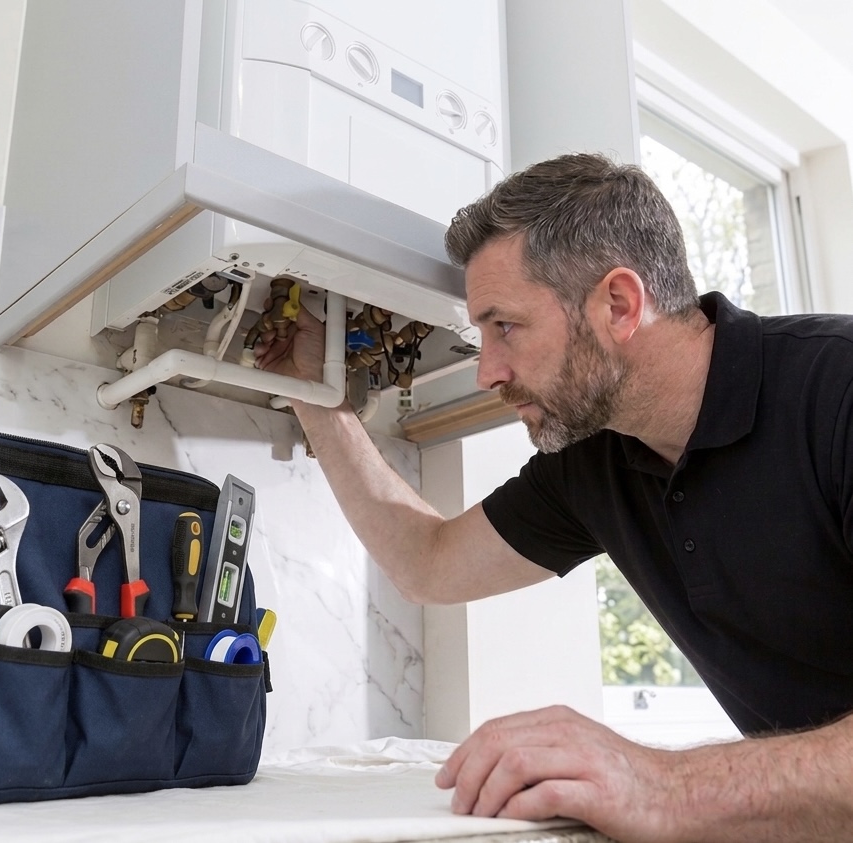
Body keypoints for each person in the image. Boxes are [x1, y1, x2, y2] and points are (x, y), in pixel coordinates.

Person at [254, 152, 853, 842]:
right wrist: (318, 396)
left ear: (619, 305)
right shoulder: (598, 460)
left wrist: (656, 781)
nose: (486, 370)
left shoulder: (838, 392)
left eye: (504, 325)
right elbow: (427, 561)